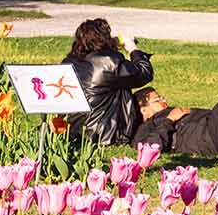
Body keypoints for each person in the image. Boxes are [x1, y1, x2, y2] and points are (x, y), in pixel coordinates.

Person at [63, 18, 154, 146]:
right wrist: (133, 49)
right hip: (104, 133)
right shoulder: (109, 62)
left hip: (72, 129)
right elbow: (144, 73)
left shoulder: (69, 61)